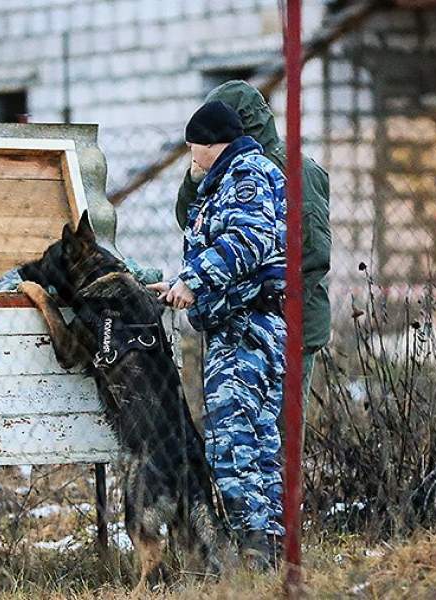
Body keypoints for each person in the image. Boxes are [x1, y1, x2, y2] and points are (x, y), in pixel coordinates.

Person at [147, 100, 287, 567]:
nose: (192, 159)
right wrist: (176, 285)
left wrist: (194, 281)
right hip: (240, 324)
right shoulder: (228, 179)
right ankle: (271, 551)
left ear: (211, 144)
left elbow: (246, 242)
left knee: (233, 442)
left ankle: (252, 553)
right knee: (259, 442)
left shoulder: (247, 176)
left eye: (194, 150)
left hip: (247, 329)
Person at [174, 80, 331, 395]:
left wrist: (267, 304)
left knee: (278, 434)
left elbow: (312, 252)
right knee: (241, 430)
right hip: (238, 324)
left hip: (287, 326)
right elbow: (191, 225)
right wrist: (194, 181)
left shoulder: (291, 170)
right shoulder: (223, 169)